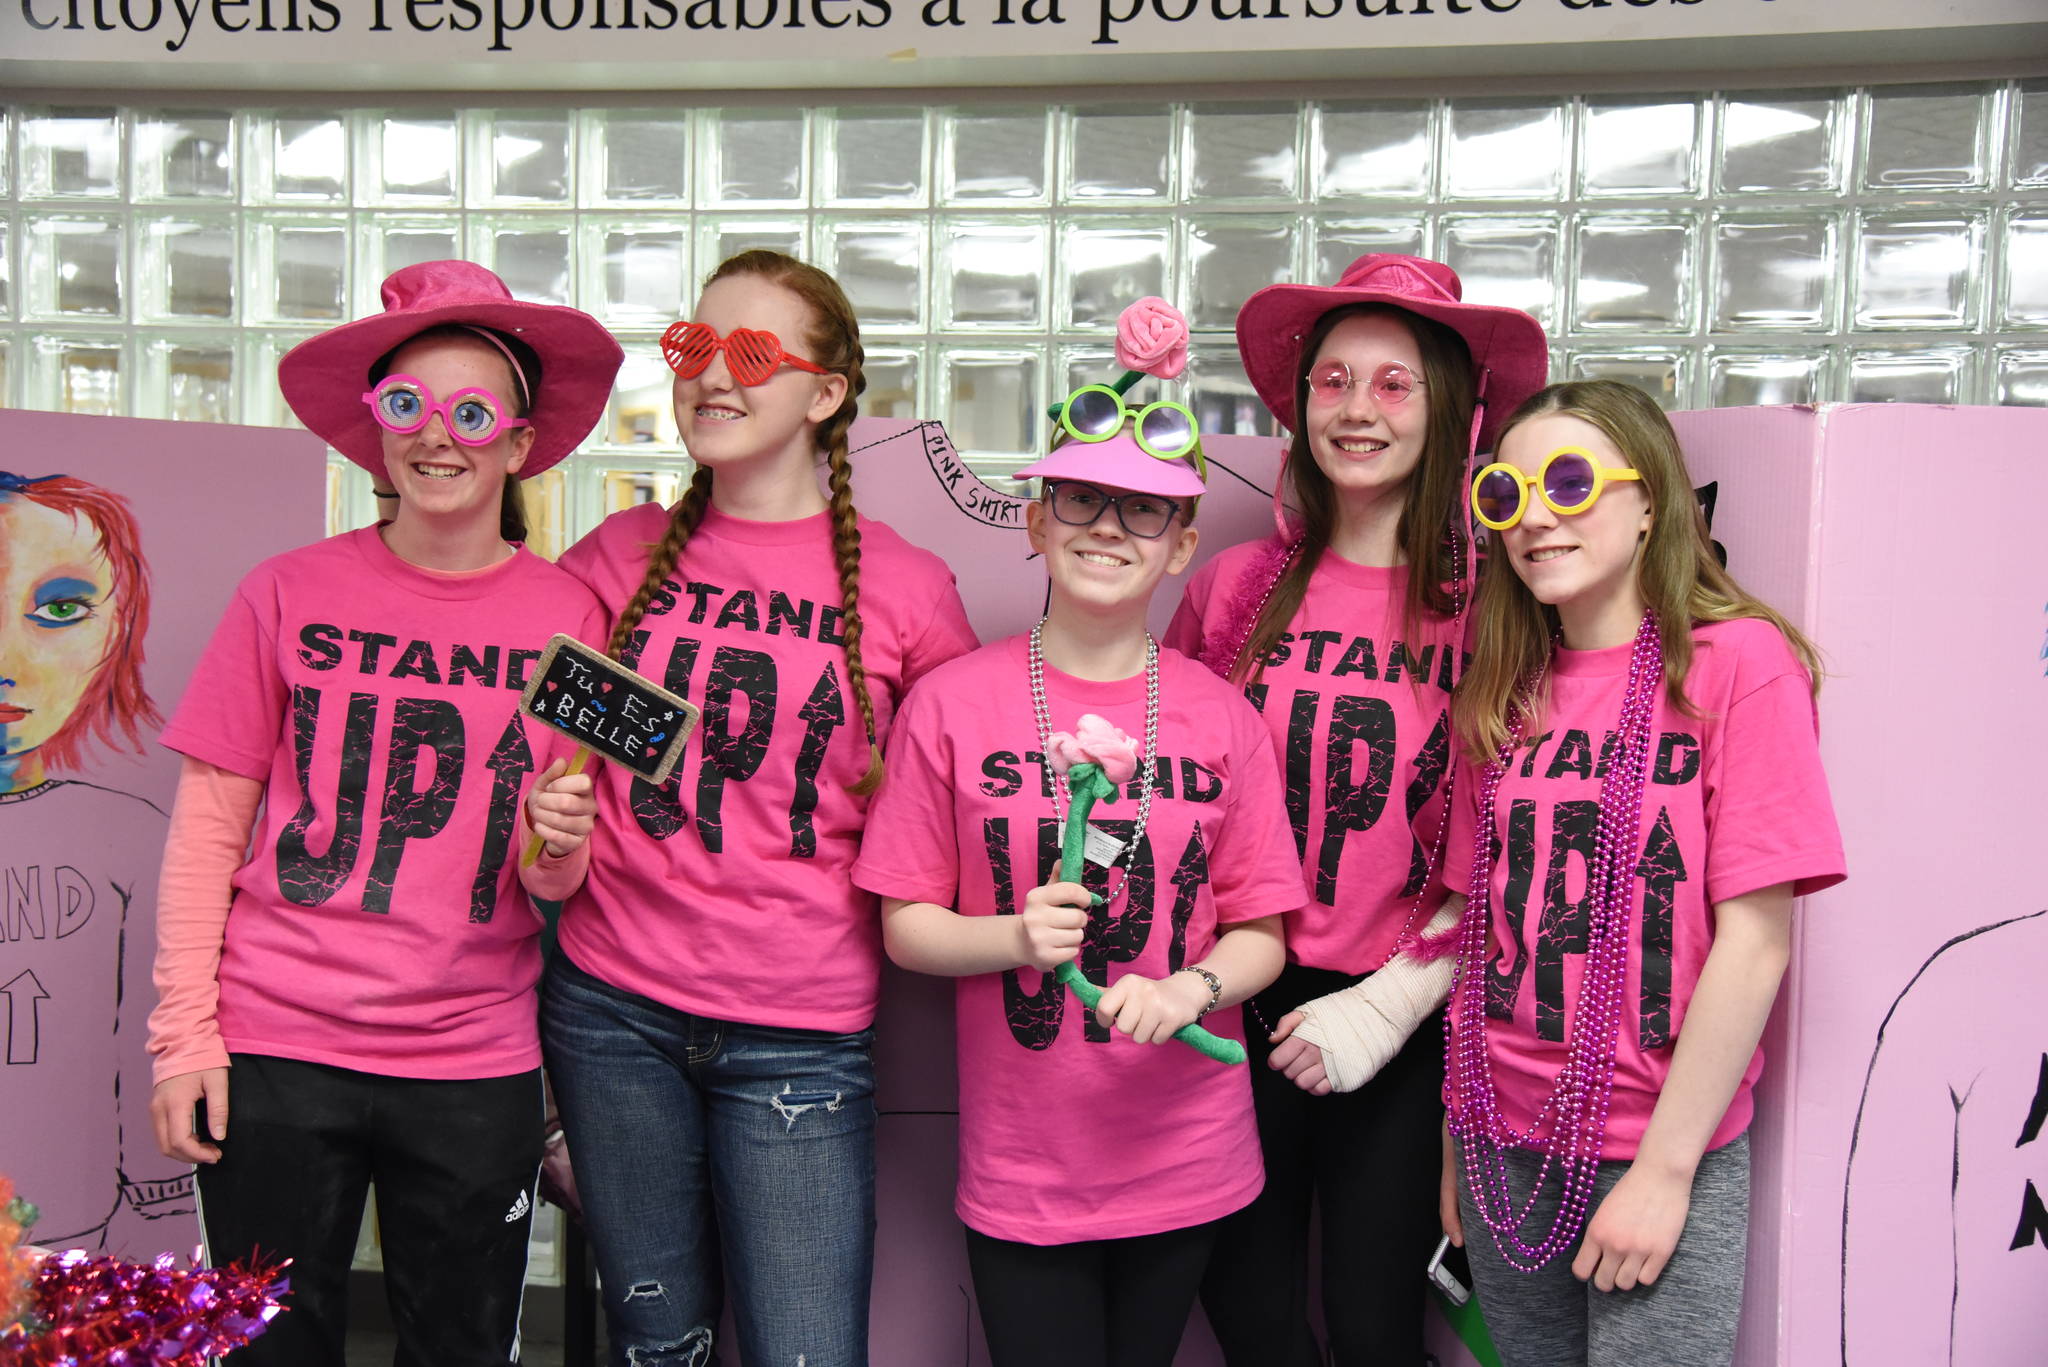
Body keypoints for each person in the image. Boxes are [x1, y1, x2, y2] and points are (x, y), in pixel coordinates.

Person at [145, 259, 621, 1366]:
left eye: (469, 411)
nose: (435, 436)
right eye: (405, 405)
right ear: (373, 428)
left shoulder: (572, 616)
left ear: (516, 440)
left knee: (458, 1347)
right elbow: (210, 821)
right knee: (265, 1350)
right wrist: (184, 1037)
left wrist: (559, 839)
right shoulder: (285, 590)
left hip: (471, 1062)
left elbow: (555, 879)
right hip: (273, 1045)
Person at [532, 249, 977, 1367]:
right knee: (655, 1340)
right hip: (609, 1014)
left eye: (750, 354)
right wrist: (552, 830)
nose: (708, 377)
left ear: (825, 394)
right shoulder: (612, 558)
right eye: (693, 347)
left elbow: (955, 809)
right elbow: (546, 791)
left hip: (802, 1032)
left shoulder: (909, 588)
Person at [853, 380, 1301, 1367]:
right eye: (1079, 499)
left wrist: (1191, 985)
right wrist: (1010, 935)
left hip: (1186, 1146)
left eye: (1144, 508)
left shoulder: (1222, 716)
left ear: (1180, 543)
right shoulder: (949, 702)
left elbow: (1262, 933)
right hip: (1026, 1161)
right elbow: (903, 923)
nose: (1108, 527)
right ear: (1034, 520)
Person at [1164, 253, 1548, 1364]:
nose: (1356, 410)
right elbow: (1174, 787)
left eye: (1392, 384)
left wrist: (1388, 1001)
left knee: (1378, 1318)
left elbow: (1508, 847)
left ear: (1452, 413)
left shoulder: (1496, 604)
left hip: (1400, 1005)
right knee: (1244, 1303)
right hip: (1235, 989)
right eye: (1332, 381)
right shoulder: (1232, 586)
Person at [1433, 380, 1844, 1367]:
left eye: (1567, 483)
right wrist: (1456, 1133)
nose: (1533, 516)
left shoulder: (1739, 664)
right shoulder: (1497, 690)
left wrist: (1662, 1168)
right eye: (1504, 494)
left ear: (1650, 497)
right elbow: (1473, 930)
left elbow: (1755, 939)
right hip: (1499, 1138)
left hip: (1659, 1138)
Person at [0, 471, 193, 1249]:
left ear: (118, 631)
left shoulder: (131, 834)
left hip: (70, 1230)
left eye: (60, 609)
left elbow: (144, 1037)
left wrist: (163, 1212)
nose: (7, 656)